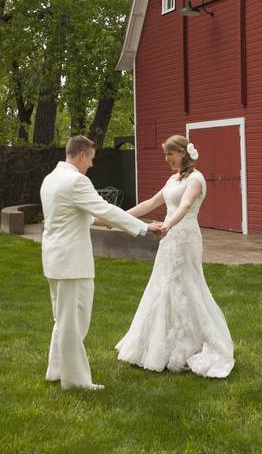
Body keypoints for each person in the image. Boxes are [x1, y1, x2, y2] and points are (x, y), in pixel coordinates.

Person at [40, 135, 163, 391]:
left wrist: (100, 221)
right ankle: (75, 381)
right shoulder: (76, 180)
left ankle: (57, 370)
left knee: (63, 320)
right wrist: (144, 227)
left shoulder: (51, 179)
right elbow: (105, 208)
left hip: (56, 259)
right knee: (73, 321)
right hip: (71, 263)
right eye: (91, 159)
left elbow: (74, 215)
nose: (92, 165)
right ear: (82, 155)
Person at [116, 134, 235, 378]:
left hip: (185, 238)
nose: (166, 159)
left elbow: (185, 206)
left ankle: (189, 344)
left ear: (183, 153)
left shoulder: (196, 179)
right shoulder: (173, 179)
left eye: (170, 153)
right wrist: (119, 217)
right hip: (169, 239)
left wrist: (167, 225)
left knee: (186, 287)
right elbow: (150, 203)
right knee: (163, 285)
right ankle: (159, 344)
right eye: (165, 154)